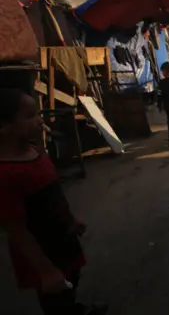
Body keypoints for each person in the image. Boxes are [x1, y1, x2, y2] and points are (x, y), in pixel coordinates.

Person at [0, 88, 107, 315]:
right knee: (55, 295)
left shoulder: (32, 151)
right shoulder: (7, 173)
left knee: (70, 279)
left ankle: (74, 308)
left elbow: (52, 190)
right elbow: (16, 229)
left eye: (38, 114)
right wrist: (45, 269)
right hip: (43, 248)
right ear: (4, 127)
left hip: (62, 233)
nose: (39, 121)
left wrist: (70, 218)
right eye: (29, 116)